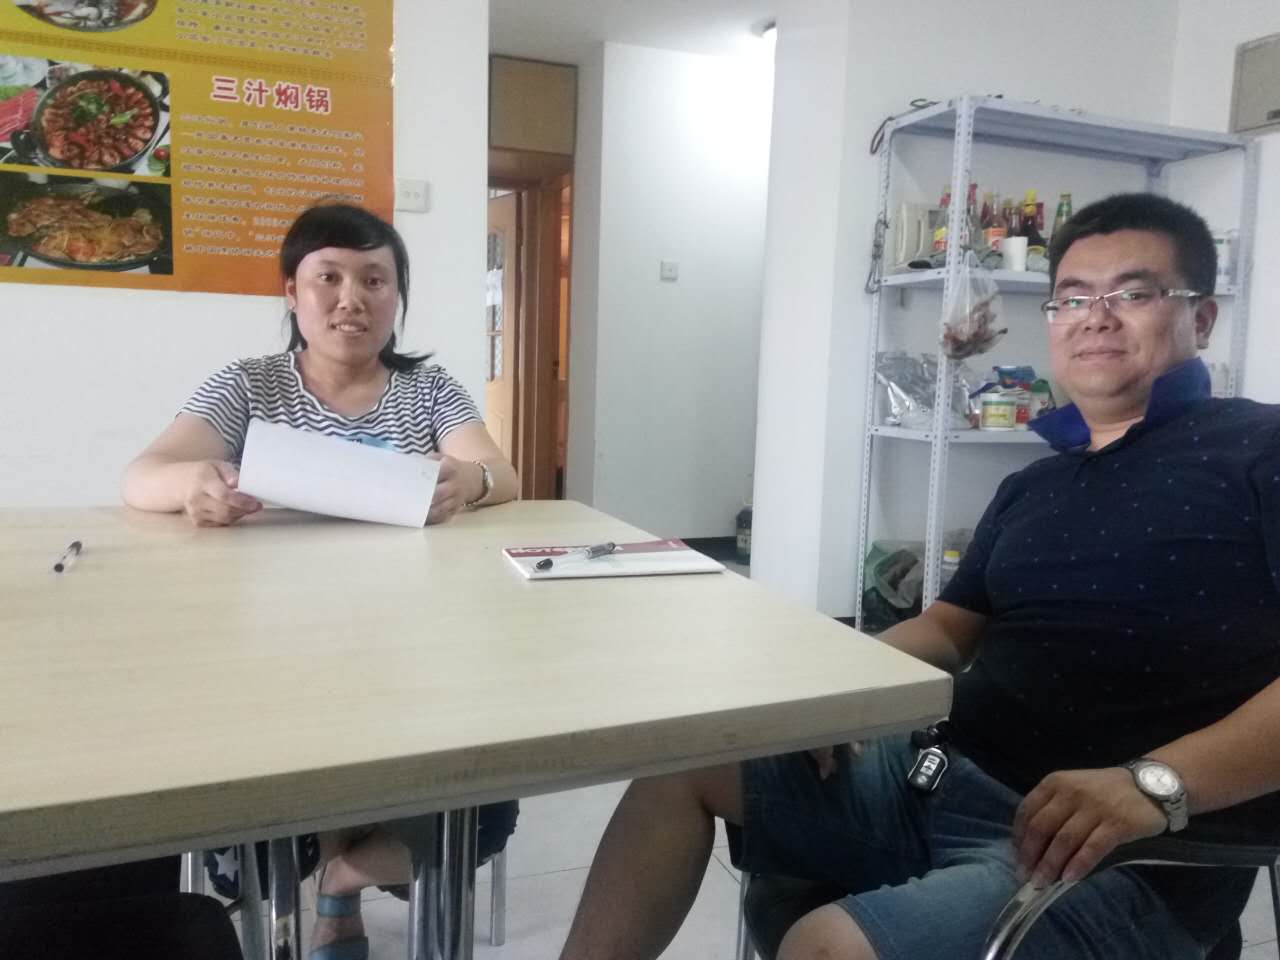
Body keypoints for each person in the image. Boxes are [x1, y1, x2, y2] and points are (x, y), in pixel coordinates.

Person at [557, 193, 1280, 960]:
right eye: (1072, 298)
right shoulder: (1033, 485)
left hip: (1118, 849)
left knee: (825, 946)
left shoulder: (1258, 449)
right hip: (942, 780)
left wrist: (1154, 784)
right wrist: (841, 690)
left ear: (1202, 319)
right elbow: (945, 630)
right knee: (688, 762)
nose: (1095, 318)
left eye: (1133, 294)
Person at [122, 202, 520, 960]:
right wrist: (191, 485)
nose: (351, 299)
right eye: (328, 278)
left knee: (484, 811)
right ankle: (322, 874)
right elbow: (141, 474)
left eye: (375, 280)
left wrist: (470, 480)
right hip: (272, 656)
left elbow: (502, 474)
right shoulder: (249, 385)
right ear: (291, 292)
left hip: (410, 651)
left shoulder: (429, 389)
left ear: (397, 296)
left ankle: (343, 878)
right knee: (250, 821)